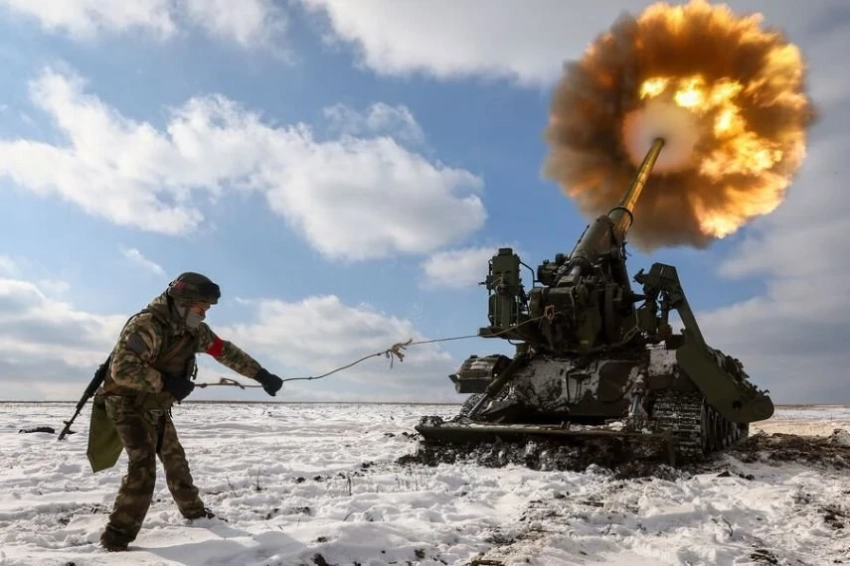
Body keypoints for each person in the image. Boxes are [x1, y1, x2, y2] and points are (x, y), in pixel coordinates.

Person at [97, 271, 284, 552]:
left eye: (207, 308)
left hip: (155, 405)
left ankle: (194, 514)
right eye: (201, 307)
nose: (204, 313)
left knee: (175, 460)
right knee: (143, 467)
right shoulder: (146, 326)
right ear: (183, 303)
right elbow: (122, 370)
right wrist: (167, 383)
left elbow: (225, 352)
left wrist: (261, 375)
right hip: (126, 405)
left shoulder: (194, 330)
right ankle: (116, 539)